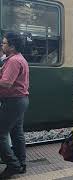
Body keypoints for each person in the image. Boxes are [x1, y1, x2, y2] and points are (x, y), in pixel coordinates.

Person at [0, 32, 29, 178]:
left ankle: (13, 165)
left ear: (12, 46)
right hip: (19, 100)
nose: (2, 45)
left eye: (4, 43)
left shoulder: (13, 61)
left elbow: (6, 83)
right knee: (17, 133)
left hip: (13, 101)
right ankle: (21, 164)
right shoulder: (18, 58)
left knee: (0, 133)